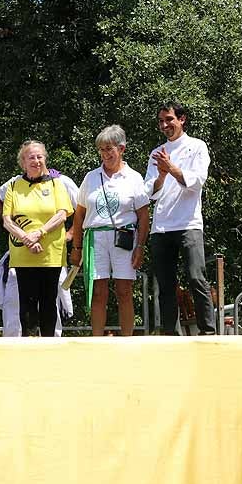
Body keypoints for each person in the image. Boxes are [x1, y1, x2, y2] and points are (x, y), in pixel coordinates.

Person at [70, 125, 150, 336]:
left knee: (124, 291)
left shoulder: (133, 177)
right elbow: (79, 214)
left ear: (121, 149)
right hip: (95, 238)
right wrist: (76, 247)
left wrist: (140, 247)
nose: (105, 154)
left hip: (123, 237)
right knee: (98, 292)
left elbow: (143, 215)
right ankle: (97, 339)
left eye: (109, 149)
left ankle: (127, 341)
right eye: (101, 150)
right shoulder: (91, 177)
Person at [144, 103, 215, 335]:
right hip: (161, 227)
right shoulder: (156, 153)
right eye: (161, 121)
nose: (165, 125)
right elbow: (149, 192)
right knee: (165, 285)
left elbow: (196, 182)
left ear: (182, 119)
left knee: (196, 277)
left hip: (188, 224)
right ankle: (170, 334)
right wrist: (162, 175)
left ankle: (208, 331)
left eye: (169, 119)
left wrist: (171, 168)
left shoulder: (197, 146)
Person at [0, 167, 79, 337]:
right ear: (23, 162)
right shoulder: (14, 183)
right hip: (22, 253)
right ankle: (20, 347)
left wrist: (70, 234)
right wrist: (21, 233)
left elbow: (81, 209)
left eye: (39, 157)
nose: (36, 161)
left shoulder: (61, 181)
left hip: (52, 253)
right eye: (30, 157)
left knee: (50, 302)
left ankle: (51, 345)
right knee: (19, 304)